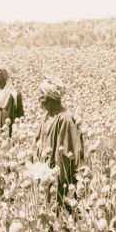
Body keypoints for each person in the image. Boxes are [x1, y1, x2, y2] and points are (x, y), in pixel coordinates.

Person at [35, 79, 83, 207]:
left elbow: (66, 155)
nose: (38, 100)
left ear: (48, 99)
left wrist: (56, 180)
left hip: (58, 178)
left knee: (58, 207)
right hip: (45, 172)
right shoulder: (47, 116)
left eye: (41, 96)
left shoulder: (65, 119)